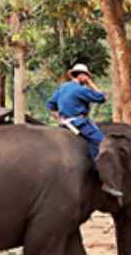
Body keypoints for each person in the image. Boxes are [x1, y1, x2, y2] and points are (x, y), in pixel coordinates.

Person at [47, 63, 115, 192]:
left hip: (64, 124)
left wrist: (59, 118)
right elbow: (102, 98)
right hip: (79, 123)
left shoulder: (63, 87)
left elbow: (50, 104)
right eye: (86, 75)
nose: (88, 78)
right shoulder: (81, 89)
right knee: (101, 142)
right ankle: (101, 177)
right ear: (81, 75)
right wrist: (90, 83)